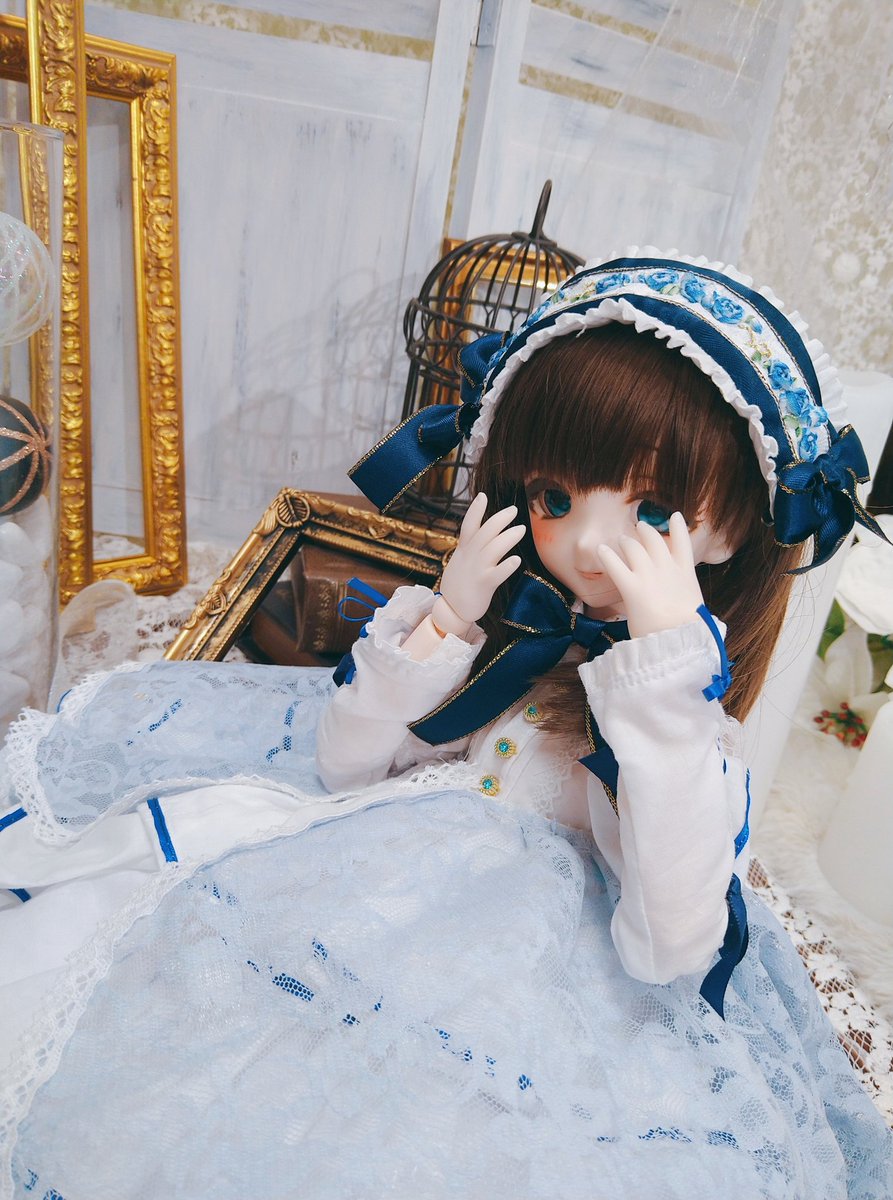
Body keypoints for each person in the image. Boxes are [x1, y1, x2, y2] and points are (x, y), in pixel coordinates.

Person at [0, 252, 890, 1199]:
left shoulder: (685, 738)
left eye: (651, 509)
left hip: (523, 971)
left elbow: (666, 943)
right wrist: (449, 620)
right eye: (553, 500)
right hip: (369, 880)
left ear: (731, 530)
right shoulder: (520, 647)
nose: (586, 543)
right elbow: (348, 765)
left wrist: (663, 689)